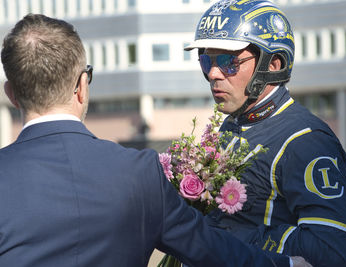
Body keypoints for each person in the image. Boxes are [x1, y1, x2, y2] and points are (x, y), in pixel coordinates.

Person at [0, 14, 313, 267]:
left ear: (10, 93)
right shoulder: (140, 172)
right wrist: (286, 265)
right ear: (82, 85)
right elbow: (211, 250)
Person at [184, 1, 346, 266]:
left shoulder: (306, 140)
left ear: (273, 65)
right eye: (207, 60)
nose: (213, 74)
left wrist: (227, 236)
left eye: (229, 61)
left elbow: (333, 249)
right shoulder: (232, 124)